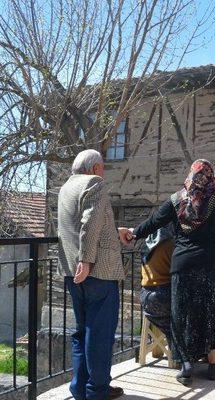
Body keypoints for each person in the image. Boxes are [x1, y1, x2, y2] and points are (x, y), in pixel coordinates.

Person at [128, 159, 215, 385]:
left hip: (187, 264)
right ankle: (214, 366)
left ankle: (186, 364)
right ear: (208, 175)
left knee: (184, 314)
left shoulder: (177, 199)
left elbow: (153, 222)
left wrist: (132, 233)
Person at [57, 149, 131, 400]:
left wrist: (115, 230)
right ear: (96, 167)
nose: (104, 173)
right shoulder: (94, 183)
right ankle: (96, 391)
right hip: (96, 271)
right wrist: (86, 261)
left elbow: (87, 224)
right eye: (104, 168)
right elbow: (89, 223)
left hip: (71, 272)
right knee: (99, 334)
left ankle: (80, 387)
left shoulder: (66, 187)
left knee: (82, 332)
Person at [140, 224, 175, 346]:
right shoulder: (172, 244)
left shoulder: (146, 244)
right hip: (165, 297)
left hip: (145, 298)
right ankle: (183, 358)